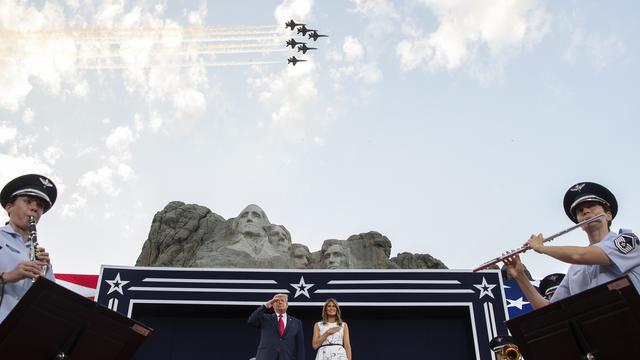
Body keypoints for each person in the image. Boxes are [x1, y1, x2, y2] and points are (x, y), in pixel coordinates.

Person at [505, 181, 640, 309]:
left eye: (592, 206)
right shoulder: (575, 269)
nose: (585, 211)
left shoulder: (627, 241)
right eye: (580, 210)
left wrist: (541, 248)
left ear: (608, 215)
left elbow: (579, 255)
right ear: (579, 223)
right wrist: (520, 277)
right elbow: (551, 310)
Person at [0, 174, 57, 323]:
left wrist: (45, 277)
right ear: (9, 207)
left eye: (40, 206)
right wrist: (7, 276)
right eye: (28, 201)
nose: (34, 208)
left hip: (23, 333)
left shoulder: (40, 256)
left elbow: (53, 303)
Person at [248, 293, 305, 360]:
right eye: (277, 301)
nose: (280, 302)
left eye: (282, 300)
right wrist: (265, 306)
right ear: (273, 305)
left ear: (287, 305)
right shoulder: (265, 318)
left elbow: (300, 347)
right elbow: (251, 320)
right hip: (267, 357)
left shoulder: (296, 322)